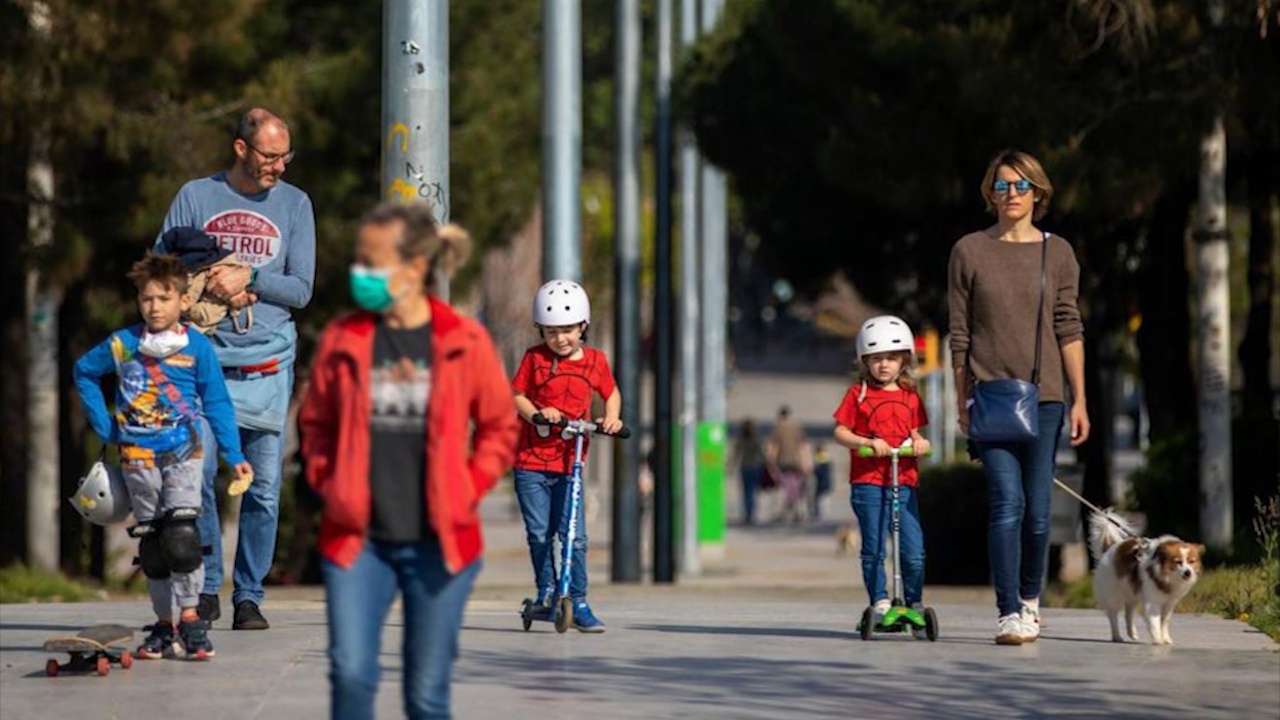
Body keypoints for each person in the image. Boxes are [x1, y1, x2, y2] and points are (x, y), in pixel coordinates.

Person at [299, 202, 516, 719]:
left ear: (415, 267)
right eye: (359, 261)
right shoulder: (345, 338)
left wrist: (468, 486)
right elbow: (315, 423)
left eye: (372, 263)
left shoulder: (464, 340)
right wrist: (330, 481)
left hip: (439, 543)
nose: (361, 274)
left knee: (425, 695)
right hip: (358, 541)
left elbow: (500, 427)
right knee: (351, 673)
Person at [155, 107, 316, 630]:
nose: (280, 167)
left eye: (286, 156)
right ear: (241, 149)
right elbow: (161, 270)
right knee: (199, 478)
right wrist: (204, 279)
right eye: (270, 156)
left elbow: (301, 289)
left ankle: (249, 595)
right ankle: (206, 589)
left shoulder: (296, 205)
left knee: (263, 487)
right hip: (203, 367)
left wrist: (251, 279)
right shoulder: (195, 197)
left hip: (266, 365)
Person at [73, 255, 253, 660]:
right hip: (137, 454)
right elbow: (84, 371)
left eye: (164, 298)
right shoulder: (123, 344)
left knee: (182, 534)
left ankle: (190, 618)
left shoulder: (197, 347)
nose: (154, 307)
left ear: (184, 301)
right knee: (153, 541)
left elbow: (217, 402)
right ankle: (162, 624)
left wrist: (233, 453)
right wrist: (104, 426)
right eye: (146, 298)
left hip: (184, 451)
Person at [948, 149, 1090, 645]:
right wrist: (960, 398)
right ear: (990, 192)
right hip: (989, 396)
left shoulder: (1058, 252)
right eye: (1002, 185)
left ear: (1038, 193)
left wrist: (1079, 398)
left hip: (1046, 398)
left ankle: (1031, 598)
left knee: (1039, 511)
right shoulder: (969, 250)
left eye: (1021, 185)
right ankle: (1008, 610)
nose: (1011, 194)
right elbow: (960, 333)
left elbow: (1069, 327)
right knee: (1006, 503)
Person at [512, 279, 622, 633]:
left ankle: (579, 600)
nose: (560, 339)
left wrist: (612, 417)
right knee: (540, 533)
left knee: (575, 536)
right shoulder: (534, 359)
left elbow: (611, 392)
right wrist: (537, 414)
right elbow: (517, 395)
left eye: (568, 330)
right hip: (531, 463)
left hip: (569, 464)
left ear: (583, 326)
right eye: (552, 332)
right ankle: (546, 590)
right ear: (541, 330)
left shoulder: (596, 361)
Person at [832, 315, 931, 631]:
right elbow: (840, 431)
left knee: (913, 550)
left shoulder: (910, 395)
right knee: (874, 547)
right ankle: (880, 600)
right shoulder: (858, 394)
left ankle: (913, 601)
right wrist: (866, 443)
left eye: (891, 358)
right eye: (876, 359)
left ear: (904, 360)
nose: (884, 365)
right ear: (865, 361)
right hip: (868, 482)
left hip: (903, 481)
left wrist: (919, 442)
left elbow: (914, 431)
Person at [768, 405, 809, 524]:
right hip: (796, 462)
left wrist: (771, 462)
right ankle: (798, 511)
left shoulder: (778, 429)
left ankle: (783, 512)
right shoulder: (797, 428)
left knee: (784, 487)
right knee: (795, 486)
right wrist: (805, 462)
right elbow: (803, 447)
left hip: (782, 462)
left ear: (780, 416)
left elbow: (774, 447)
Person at [730, 418, 768, 525]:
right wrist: (766, 463)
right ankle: (752, 512)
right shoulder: (757, 439)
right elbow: (762, 453)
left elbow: (736, 454)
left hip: (744, 467)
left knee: (746, 491)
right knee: (753, 491)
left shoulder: (741, 440)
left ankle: (747, 513)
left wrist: (731, 465)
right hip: (755, 466)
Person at [810, 441, 833, 521]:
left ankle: (820, 515)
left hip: (822, 484)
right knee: (823, 500)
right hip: (825, 484)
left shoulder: (821, 460)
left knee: (821, 501)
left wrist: (814, 470)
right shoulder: (826, 458)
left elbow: (819, 472)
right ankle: (820, 514)